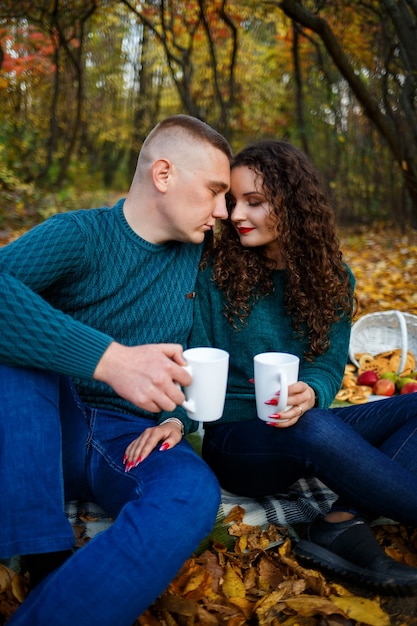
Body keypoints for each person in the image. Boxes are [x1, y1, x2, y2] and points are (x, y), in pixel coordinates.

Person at [130, 139, 417, 594]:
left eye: (255, 202)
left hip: (303, 421)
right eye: (232, 202)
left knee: (397, 409)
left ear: (293, 204)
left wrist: (314, 391)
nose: (237, 215)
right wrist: (177, 419)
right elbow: (195, 358)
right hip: (240, 443)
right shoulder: (214, 268)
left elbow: (325, 363)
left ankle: (342, 520)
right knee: (318, 430)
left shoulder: (333, 277)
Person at [0, 114, 232, 625]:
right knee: (16, 354)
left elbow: (203, 359)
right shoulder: (79, 235)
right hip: (45, 424)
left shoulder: (201, 261)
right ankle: (45, 555)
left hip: (130, 439)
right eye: (215, 190)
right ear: (164, 175)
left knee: (193, 494)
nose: (222, 210)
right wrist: (111, 359)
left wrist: (180, 421)